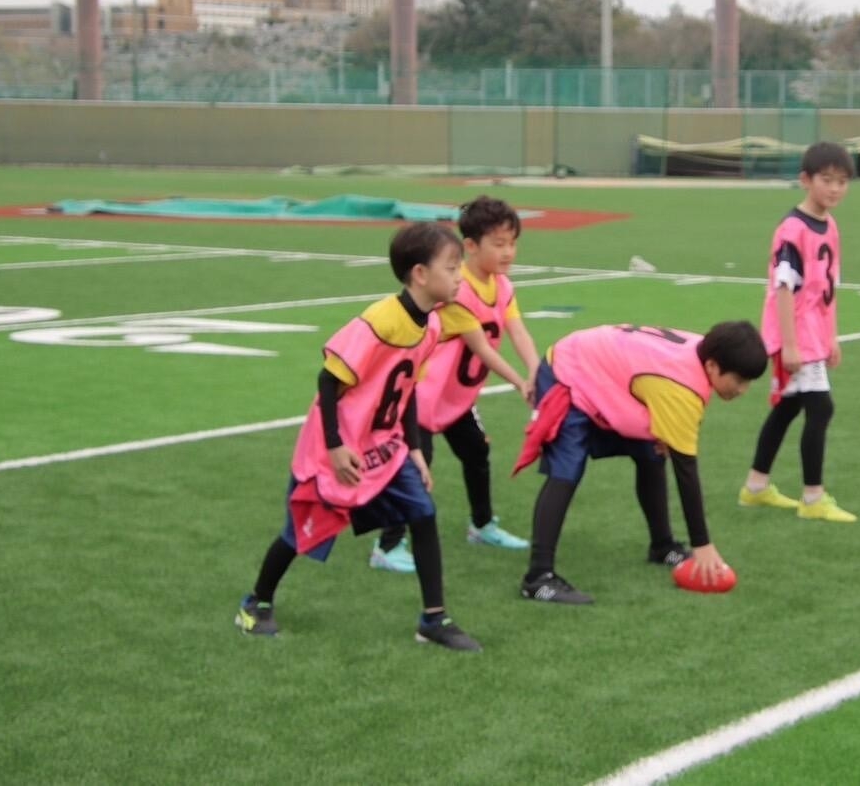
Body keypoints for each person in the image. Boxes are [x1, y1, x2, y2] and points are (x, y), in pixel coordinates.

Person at [234, 221, 484, 651]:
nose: (460, 276)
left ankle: (434, 619)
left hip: (384, 446)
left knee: (423, 513)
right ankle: (256, 602)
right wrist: (334, 446)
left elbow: (407, 389)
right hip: (340, 446)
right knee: (301, 531)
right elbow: (328, 380)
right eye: (451, 267)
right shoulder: (381, 320)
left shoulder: (432, 326)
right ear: (420, 274)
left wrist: (415, 449)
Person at [511, 320, 768, 604]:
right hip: (568, 371)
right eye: (740, 380)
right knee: (567, 469)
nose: (743, 389)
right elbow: (686, 472)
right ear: (712, 366)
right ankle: (538, 577)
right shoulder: (681, 385)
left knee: (651, 452)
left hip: (603, 372)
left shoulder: (705, 352)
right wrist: (702, 544)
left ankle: (662, 545)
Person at [371, 196, 539, 572]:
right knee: (414, 466)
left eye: (512, 243)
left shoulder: (502, 286)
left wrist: (535, 370)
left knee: (476, 453)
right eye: (499, 244)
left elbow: (518, 330)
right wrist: (519, 382)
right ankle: (388, 544)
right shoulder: (456, 288)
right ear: (471, 246)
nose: (508, 252)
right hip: (423, 395)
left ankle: (482, 525)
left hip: (456, 398)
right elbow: (481, 348)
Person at [738, 141, 857, 523]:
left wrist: (831, 336)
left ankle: (755, 487)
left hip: (814, 332)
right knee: (821, 407)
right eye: (827, 180)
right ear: (806, 180)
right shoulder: (792, 229)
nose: (835, 188)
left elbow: (828, 289)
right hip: (796, 334)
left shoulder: (830, 226)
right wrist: (789, 344)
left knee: (789, 407)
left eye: (842, 181)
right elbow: (784, 288)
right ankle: (812, 497)